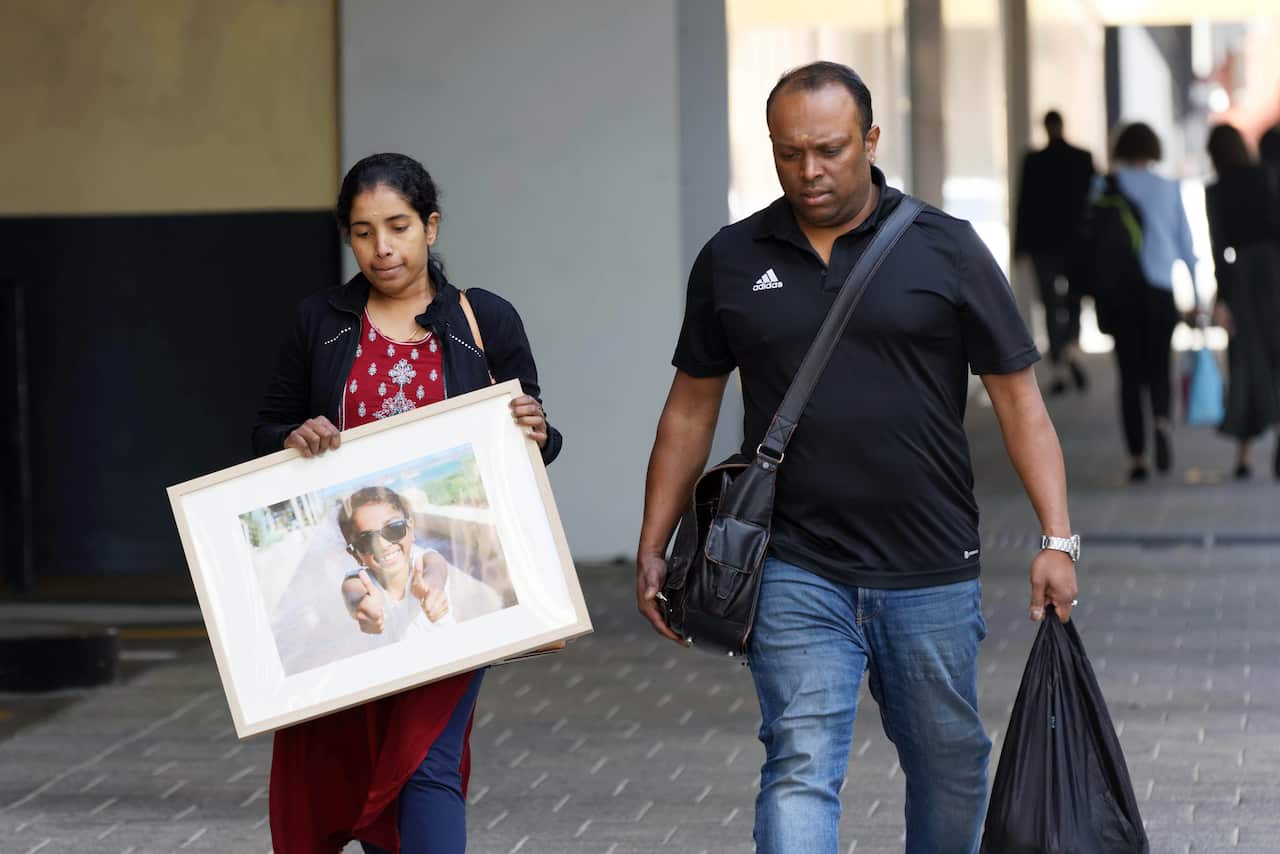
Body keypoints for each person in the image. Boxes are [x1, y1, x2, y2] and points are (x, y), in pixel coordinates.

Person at [635, 61, 1079, 854]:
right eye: (789, 152)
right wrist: (653, 542)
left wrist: (1056, 539)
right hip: (793, 565)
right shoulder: (732, 258)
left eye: (830, 149)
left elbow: (1021, 404)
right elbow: (690, 409)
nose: (810, 170)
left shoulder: (947, 249)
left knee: (950, 765)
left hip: (931, 567)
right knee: (799, 762)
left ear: (870, 141)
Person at [253, 152, 561, 854]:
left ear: (431, 226)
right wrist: (294, 436)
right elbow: (267, 428)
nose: (382, 248)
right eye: (363, 232)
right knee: (358, 763)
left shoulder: (484, 319)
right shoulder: (320, 322)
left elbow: (532, 444)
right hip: (352, 580)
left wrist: (537, 430)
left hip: (436, 585)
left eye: (398, 226)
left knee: (426, 761)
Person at [1096, 122, 1200, 482]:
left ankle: (1137, 457)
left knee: (1129, 375)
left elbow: (1092, 242)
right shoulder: (1168, 187)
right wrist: (1197, 297)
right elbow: (1186, 245)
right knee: (1159, 367)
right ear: (1153, 148)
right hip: (1160, 291)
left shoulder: (1105, 185)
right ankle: (1161, 422)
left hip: (1120, 293)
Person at [1204, 124, 1280, 479]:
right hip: (1275, 272)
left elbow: (1219, 250)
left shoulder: (1216, 191)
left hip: (1243, 280)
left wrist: (1223, 298)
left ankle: (1245, 456)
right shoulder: (1267, 176)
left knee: (1245, 359)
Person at [337, 485, 505, 637]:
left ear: (410, 529)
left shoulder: (426, 559)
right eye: (366, 540)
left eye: (394, 528)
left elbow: (435, 569)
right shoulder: (358, 581)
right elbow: (353, 595)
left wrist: (433, 590)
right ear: (355, 554)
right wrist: (363, 608)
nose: (383, 545)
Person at [1014, 110, 1096, 395]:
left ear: (1045, 128)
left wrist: (1019, 247)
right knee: (1075, 300)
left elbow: (1024, 206)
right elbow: (1094, 203)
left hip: (1043, 245)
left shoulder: (1034, 161)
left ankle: (1058, 364)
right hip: (1077, 244)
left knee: (1050, 304)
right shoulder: (1082, 158)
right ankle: (1072, 348)